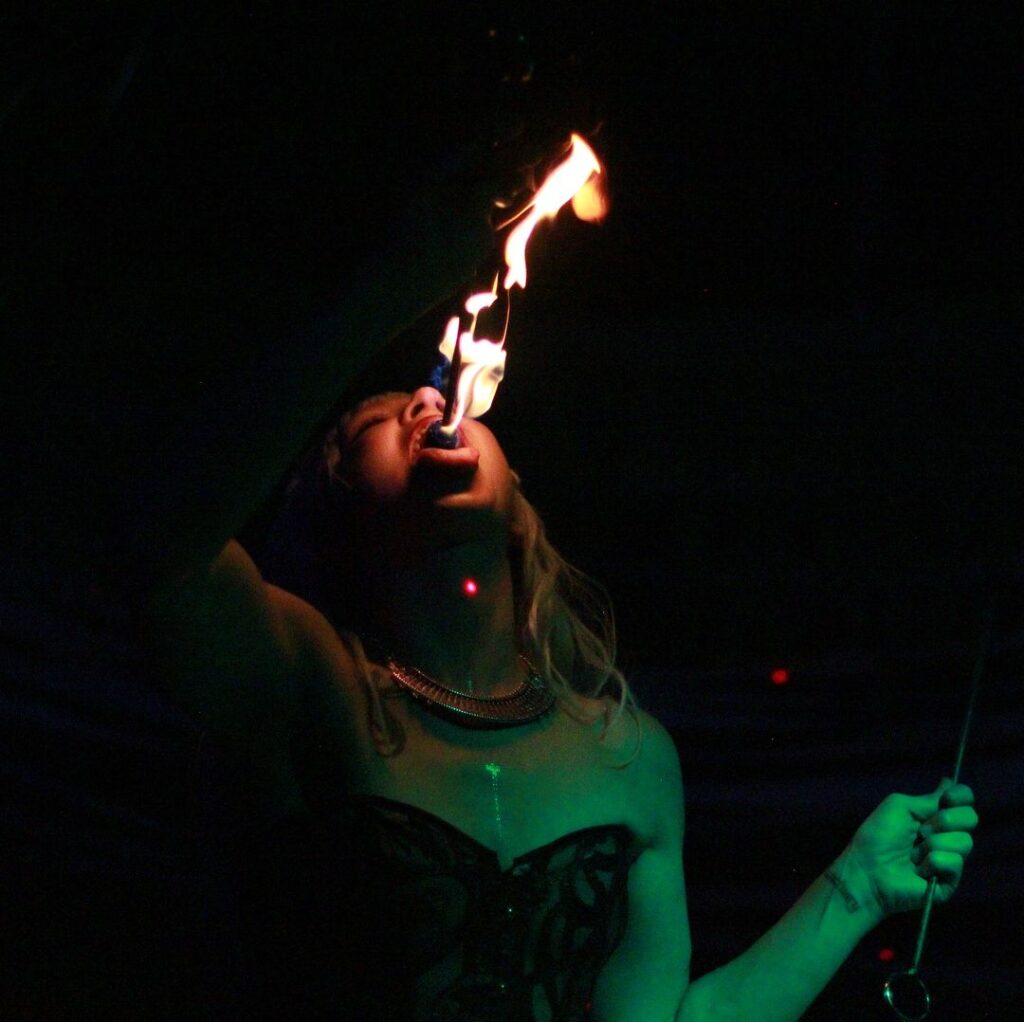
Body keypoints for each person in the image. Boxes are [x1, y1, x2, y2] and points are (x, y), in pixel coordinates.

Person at [148, 382, 977, 1020]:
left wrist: (856, 887)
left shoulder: (627, 753)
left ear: (516, 499)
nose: (429, 402)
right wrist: (401, 272)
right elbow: (161, 540)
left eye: (433, 398)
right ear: (337, 505)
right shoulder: (301, 678)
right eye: (377, 421)